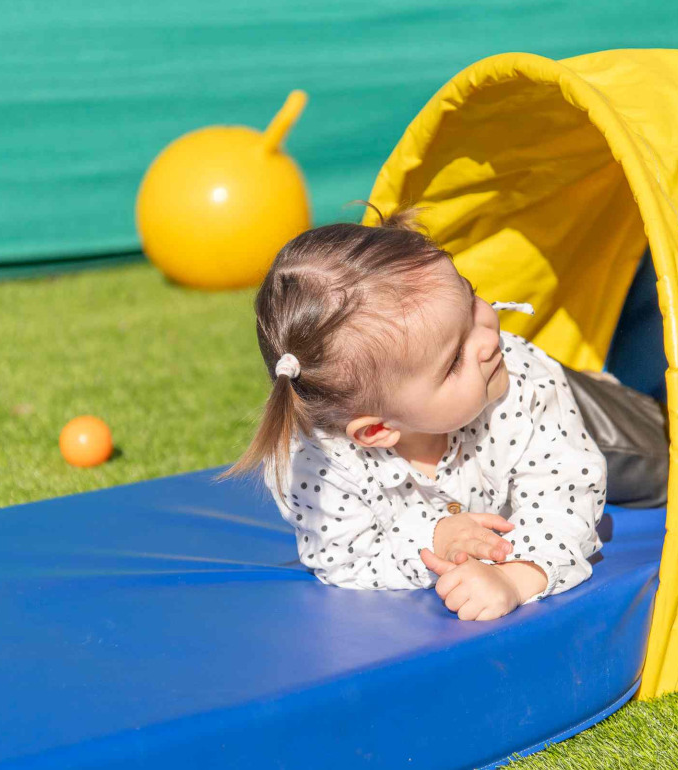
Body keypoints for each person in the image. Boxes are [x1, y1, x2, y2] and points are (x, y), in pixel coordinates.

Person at [218, 205, 611, 621]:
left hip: (592, 418)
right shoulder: (318, 466)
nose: (488, 339)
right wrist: (433, 537)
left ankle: (606, 387)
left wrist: (519, 576)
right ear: (376, 431)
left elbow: (566, 491)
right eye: (454, 360)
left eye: (470, 295)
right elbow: (345, 559)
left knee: (651, 458)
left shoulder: (517, 373)